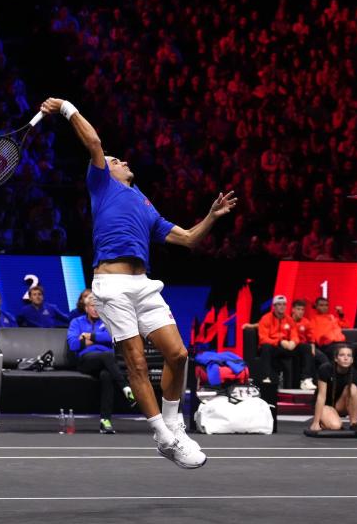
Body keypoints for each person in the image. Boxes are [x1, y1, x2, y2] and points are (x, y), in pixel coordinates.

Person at [40, 96, 236, 469]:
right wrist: (66, 107)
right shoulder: (101, 185)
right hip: (111, 286)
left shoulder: (145, 205)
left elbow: (189, 239)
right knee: (136, 363)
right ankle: (162, 436)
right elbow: (95, 144)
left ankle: (174, 423)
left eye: (120, 160)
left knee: (178, 354)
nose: (122, 161)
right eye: (117, 160)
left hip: (144, 284)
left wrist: (211, 216)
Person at [66, 289, 135, 434]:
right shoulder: (76, 322)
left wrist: (90, 336)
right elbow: (73, 345)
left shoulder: (107, 322)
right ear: (86, 308)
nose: (96, 309)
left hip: (106, 364)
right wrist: (98, 339)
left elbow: (113, 340)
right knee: (107, 356)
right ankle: (126, 388)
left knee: (106, 375)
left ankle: (105, 421)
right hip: (86, 361)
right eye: (92, 306)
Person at [309, 344, 357, 438]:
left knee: (353, 388)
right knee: (335, 426)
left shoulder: (356, 375)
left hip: (341, 405)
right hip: (326, 406)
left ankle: (353, 424)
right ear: (336, 359)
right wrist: (316, 422)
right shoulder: (325, 369)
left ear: (352, 360)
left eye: (349, 356)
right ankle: (325, 420)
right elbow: (321, 397)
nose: (346, 358)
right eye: (342, 355)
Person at [257, 295, 315, 390]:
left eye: (284, 304)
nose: (282, 306)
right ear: (274, 306)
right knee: (266, 347)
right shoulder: (266, 319)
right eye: (279, 304)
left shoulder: (289, 319)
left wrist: (293, 342)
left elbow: (295, 335)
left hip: (287, 347)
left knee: (306, 347)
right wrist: (279, 342)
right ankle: (266, 377)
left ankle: (306, 379)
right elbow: (263, 338)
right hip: (273, 347)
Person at [310, 297, 347, 362]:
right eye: (321, 305)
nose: (324, 307)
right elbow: (313, 336)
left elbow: (346, 325)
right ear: (316, 306)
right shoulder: (314, 319)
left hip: (341, 343)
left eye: (326, 305)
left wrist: (341, 315)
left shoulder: (332, 317)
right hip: (327, 345)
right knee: (343, 350)